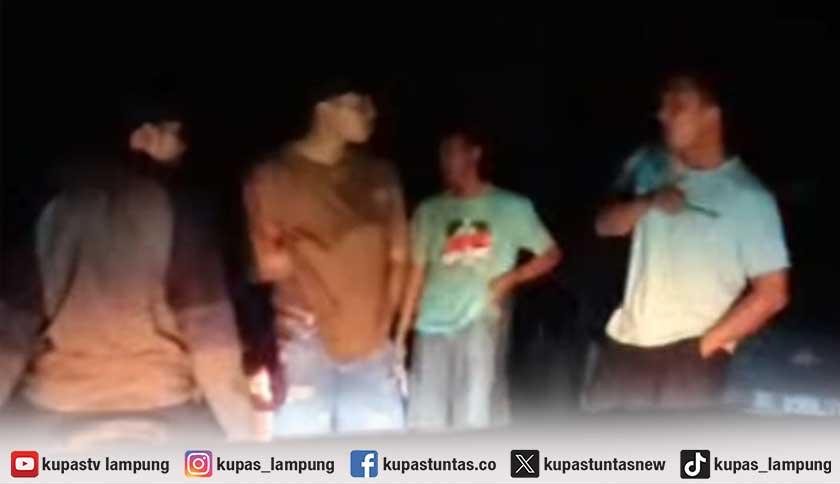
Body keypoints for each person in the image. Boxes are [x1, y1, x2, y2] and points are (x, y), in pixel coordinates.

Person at [0, 102, 258, 443]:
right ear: (141, 136)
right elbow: (212, 339)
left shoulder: (48, 212)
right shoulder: (179, 212)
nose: (182, 145)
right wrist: (243, 435)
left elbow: (10, 338)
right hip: (163, 403)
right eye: (172, 132)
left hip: (58, 405)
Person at [586, 72, 791, 411]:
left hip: (687, 357)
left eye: (678, 106)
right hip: (625, 343)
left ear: (712, 114)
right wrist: (648, 201)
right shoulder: (651, 169)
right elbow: (604, 226)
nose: (663, 114)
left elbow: (772, 293)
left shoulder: (748, 197)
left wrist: (704, 347)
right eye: (662, 105)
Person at [244, 77, 408, 436]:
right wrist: (357, 253)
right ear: (324, 108)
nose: (371, 112)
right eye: (358, 103)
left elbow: (398, 258)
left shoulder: (379, 176)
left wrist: (384, 326)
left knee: (373, 459)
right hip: (305, 340)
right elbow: (268, 263)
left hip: (372, 345)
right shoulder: (274, 177)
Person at [397, 128, 561, 430]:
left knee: (473, 414)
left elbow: (550, 254)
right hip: (430, 324)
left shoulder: (512, 206)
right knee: (426, 419)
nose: (445, 162)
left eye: (452, 153)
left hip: (478, 319)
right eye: (442, 155)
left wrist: (510, 279)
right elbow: (416, 271)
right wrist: (401, 335)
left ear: (474, 154)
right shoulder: (429, 210)